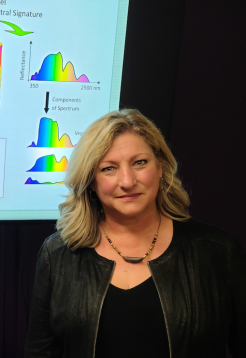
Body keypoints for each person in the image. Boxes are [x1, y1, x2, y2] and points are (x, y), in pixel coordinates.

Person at [24, 109, 246, 358]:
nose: (127, 181)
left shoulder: (218, 251)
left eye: (139, 162)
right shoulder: (58, 254)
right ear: (90, 181)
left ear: (160, 166)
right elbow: (39, 352)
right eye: (109, 168)